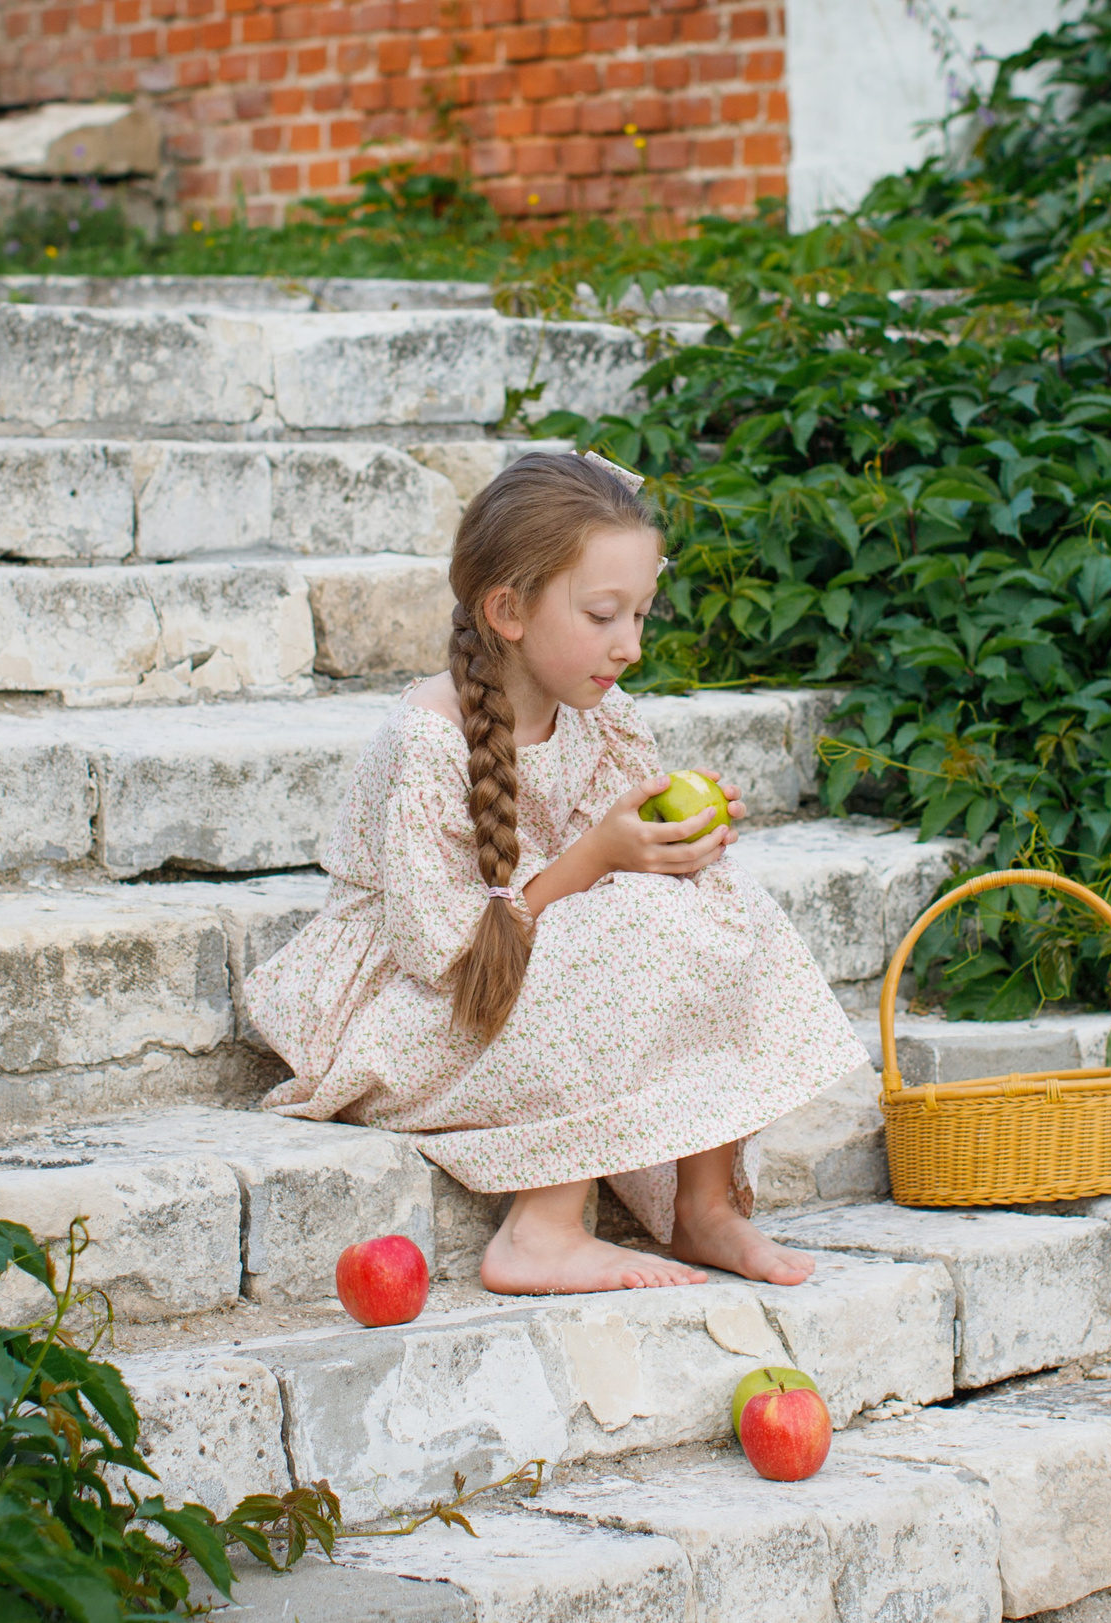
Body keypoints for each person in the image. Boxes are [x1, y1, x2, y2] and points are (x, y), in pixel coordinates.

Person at [240, 450, 867, 1295]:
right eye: (603, 615)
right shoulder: (428, 741)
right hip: (420, 1009)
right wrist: (600, 855)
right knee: (616, 925)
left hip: (522, 968)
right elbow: (446, 954)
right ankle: (541, 1231)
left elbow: (627, 878)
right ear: (507, 610)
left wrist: (676, 841)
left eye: (640, 614)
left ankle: (705, 1206)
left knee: (708, 895)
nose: (630, 645)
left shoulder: (598, 716)